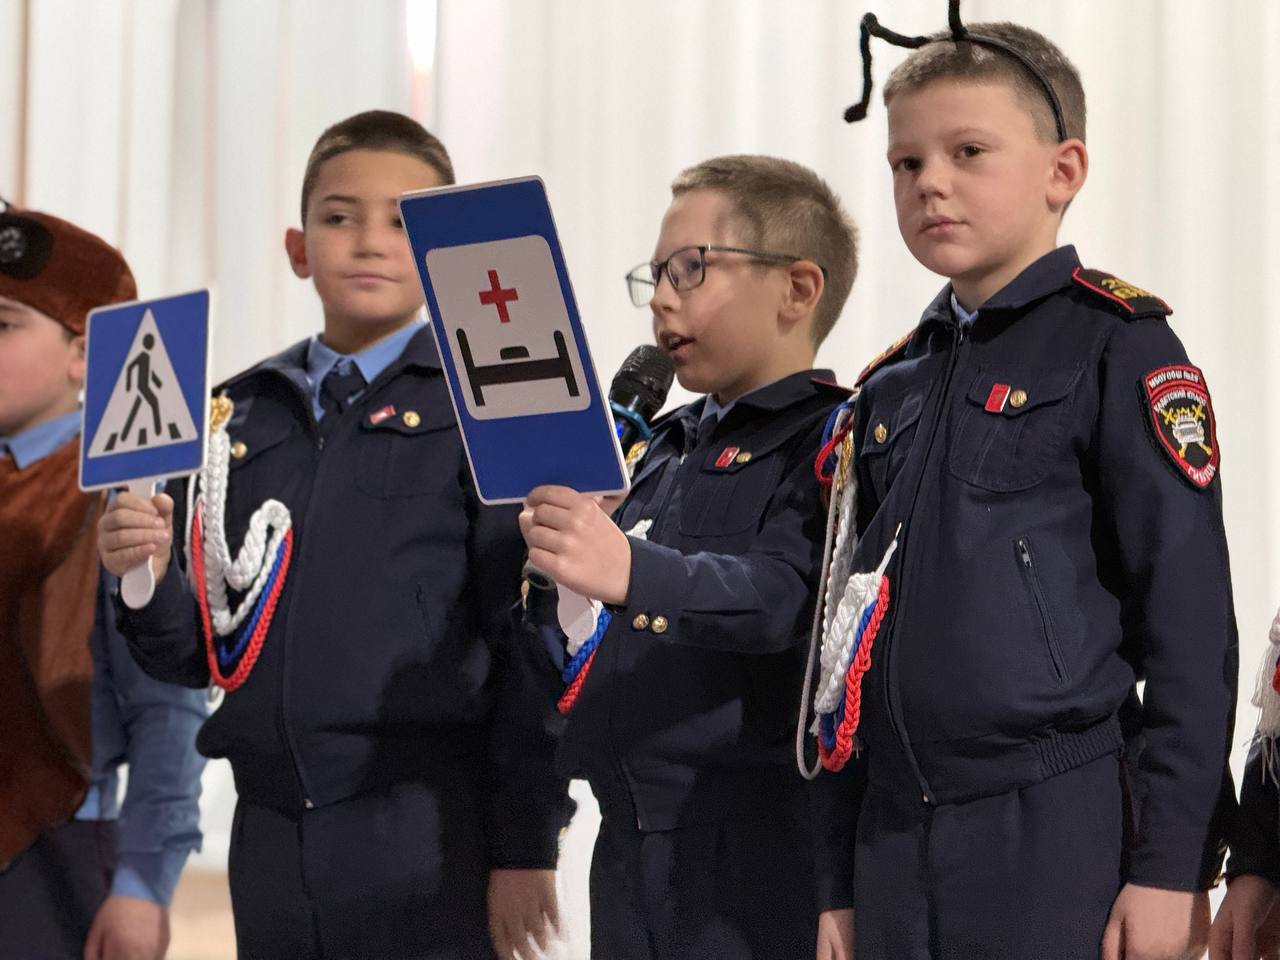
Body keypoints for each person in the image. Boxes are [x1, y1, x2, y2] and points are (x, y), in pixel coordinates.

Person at [811, 10, 1238, 960]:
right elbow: (843, 646)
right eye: (905, 162)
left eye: (968, 151)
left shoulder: (1119, 346)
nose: (930, 182)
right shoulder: (889, 386)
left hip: (1055, 819)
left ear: (1063, 170)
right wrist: (836, 880)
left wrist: (1172, 866)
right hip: (894, 831)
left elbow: (1190, 623)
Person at [97, 110, 571, 960]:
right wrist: (147, 576)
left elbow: (528, 642)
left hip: (427, 823)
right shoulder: (236, 415)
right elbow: (204, 650)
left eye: (403, 223)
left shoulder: (492, 405)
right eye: (340, 216)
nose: (370, 242)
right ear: (297, 247)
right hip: (271, 828)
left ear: (446, 256)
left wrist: (525, 842)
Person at [519, 154, 858, 958]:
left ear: (796, 289)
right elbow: (583, 642)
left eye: (691, 270)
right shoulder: (659, 446)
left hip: (750, 848)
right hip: (628, 836)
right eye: (657, 276)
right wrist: (558, 578)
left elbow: (784, 595)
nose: (663, 299)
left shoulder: (832, 438)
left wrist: (630, 571)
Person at [0, 204, 205, 960]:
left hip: (60, 842)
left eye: (3, 326)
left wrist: (143, 882)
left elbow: (166, 704)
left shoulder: (125, 496)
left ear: (84, 353)